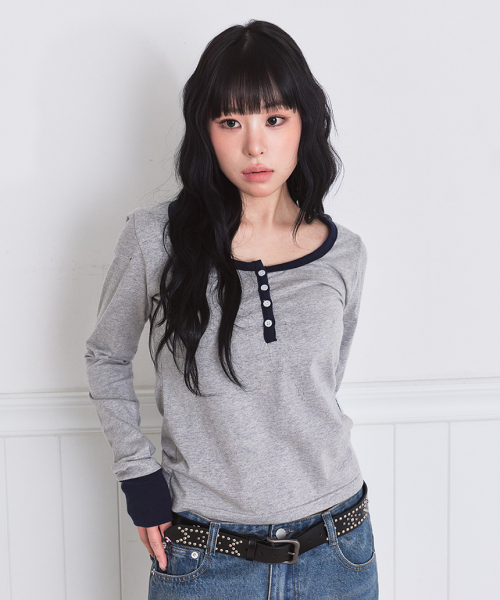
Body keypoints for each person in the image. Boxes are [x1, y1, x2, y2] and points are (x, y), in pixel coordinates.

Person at [85, 19, 378, 600]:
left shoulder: (344, 253)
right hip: (204, 556)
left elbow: (322, 383)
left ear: (304, 123)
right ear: (206, 131)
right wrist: (140, 481)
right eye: (230, 122)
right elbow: (105, 357)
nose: (254, 146)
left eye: (274, 119)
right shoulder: (155, 240)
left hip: (338, 549)